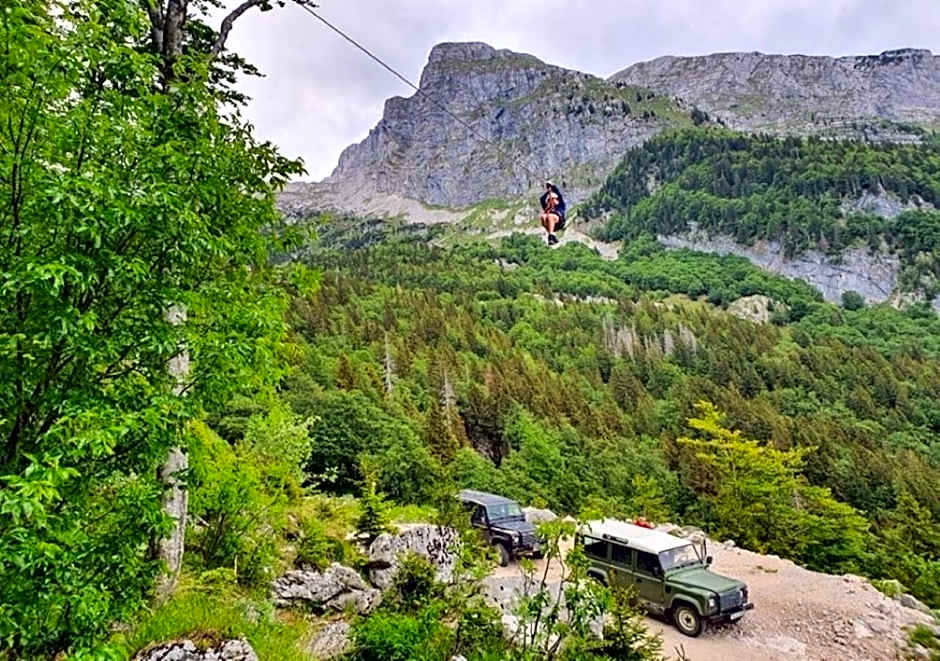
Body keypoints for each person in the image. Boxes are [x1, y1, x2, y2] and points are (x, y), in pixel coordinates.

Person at [539, 180, 566, 245]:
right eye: (550, 200)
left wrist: (552, 187)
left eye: (553, 199)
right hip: (550, 221)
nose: (551, 201)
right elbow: (542, 199)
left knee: (550, 216)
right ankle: (552, 235)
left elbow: (559, 195)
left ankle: (551, 235)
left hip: (559, 221)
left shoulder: (561, 204)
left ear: (557, 199)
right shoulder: (548, 207)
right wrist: (548, 192)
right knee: (543, 216)